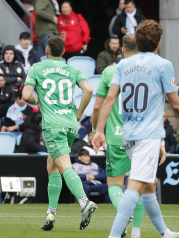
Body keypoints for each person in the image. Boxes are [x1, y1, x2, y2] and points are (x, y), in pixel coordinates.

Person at [92, 20, 179, 238]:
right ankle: (114, 236)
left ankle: (164, 232)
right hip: (147, 136)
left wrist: (99, 130)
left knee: (149, 185)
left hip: (128, 135)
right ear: (158, 42)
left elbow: (110, 98)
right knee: (134, 187)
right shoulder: (163, 64)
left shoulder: (122, 65)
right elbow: (175, 104)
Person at [23, 35, 97, 231]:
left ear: (46, 51)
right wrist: (79, 113)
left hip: (53, 125)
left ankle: (84, 202)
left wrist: (35, 100)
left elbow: (25, 96)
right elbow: (88, 89)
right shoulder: (71, 69)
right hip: (70, 123)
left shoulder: (37, 68)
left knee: (64, 166)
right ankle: (51, 213)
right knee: (52, 167)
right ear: (64, 52)